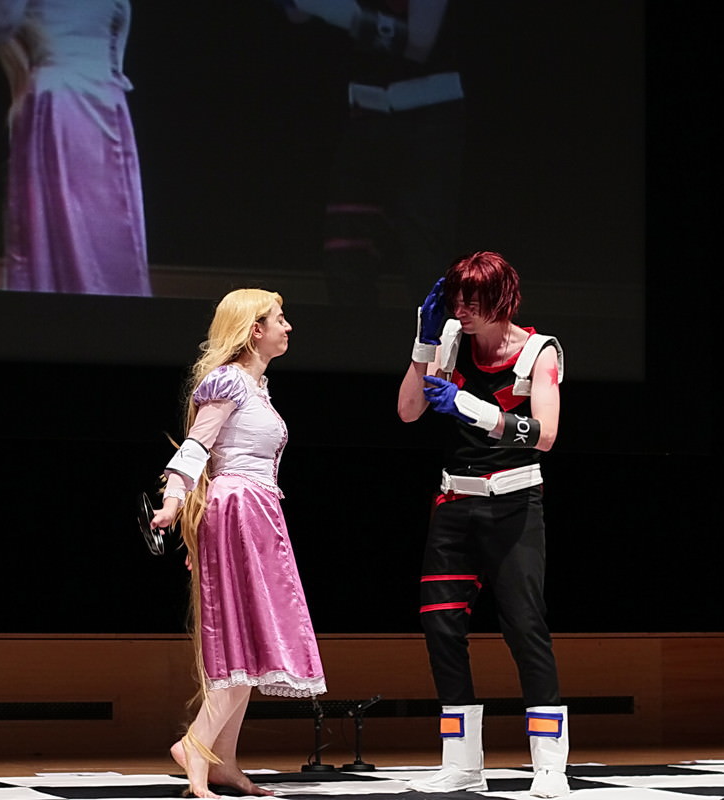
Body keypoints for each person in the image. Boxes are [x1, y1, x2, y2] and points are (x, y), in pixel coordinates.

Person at [397, 251, 569, 797]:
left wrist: (470, 406)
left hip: (514, 504)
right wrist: (424, 344)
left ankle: (549, 765)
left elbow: (544, 435)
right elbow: (408, 410)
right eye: (456, 300)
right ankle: (462, 763)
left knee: (524, 626)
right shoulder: (450, 339)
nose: (462, 310)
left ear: (502, 299)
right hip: (454, 504)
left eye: (473, 301)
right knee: (441, 626)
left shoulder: (538, 351)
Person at [149, 289, 326, 798]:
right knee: (242, 637)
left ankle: (222, 760)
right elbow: (197, 447)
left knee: (252, 638)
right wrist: (173, 502)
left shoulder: (256, 386)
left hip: (258, 511)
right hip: (239, 510)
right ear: (254, 330)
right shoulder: (229, 380)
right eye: (279, 318)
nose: (287, 327)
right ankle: (196, 747)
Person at [279, 0, 465, 307]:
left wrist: (334, 10)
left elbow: (418, 42)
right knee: (346, 251)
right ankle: (354, 334)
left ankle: (438, 336)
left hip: (428, 121)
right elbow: (296, 11)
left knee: (425, 253)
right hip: (366, 116)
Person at [0, 0, 152, 296]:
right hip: (103, 93)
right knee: (101, 208)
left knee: (62, 204)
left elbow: (1, 20)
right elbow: (120, 28)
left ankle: (62, 290)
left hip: (58, 94)